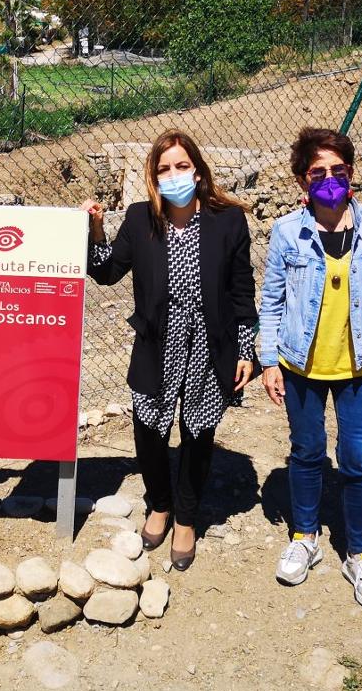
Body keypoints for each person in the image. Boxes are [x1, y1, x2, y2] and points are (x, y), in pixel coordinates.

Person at [81, 130, 258, 571]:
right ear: (153, 177)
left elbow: (242, 292)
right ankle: (159, 504)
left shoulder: (228, 220)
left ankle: (186, 518)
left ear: (197, 171)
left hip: (208, 344)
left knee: (198, 435)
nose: (174, 175)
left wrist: (245, 350)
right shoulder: (142, 218)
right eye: (164, 169)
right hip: (157, 343)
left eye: (181, 166)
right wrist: (96, 228)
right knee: (149, 432)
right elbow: (105, 272)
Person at [258, 128, 362, 609]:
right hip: (300, 365)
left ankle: (359, 553)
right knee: (306, 452)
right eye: (318, 172)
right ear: (303, 179)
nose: (329, 180)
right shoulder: (286, 231)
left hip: (361, 367)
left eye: (338, 171)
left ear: (352, 173)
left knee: (359, 460)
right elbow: (272, 302)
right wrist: (268, 360)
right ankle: (304, 536)